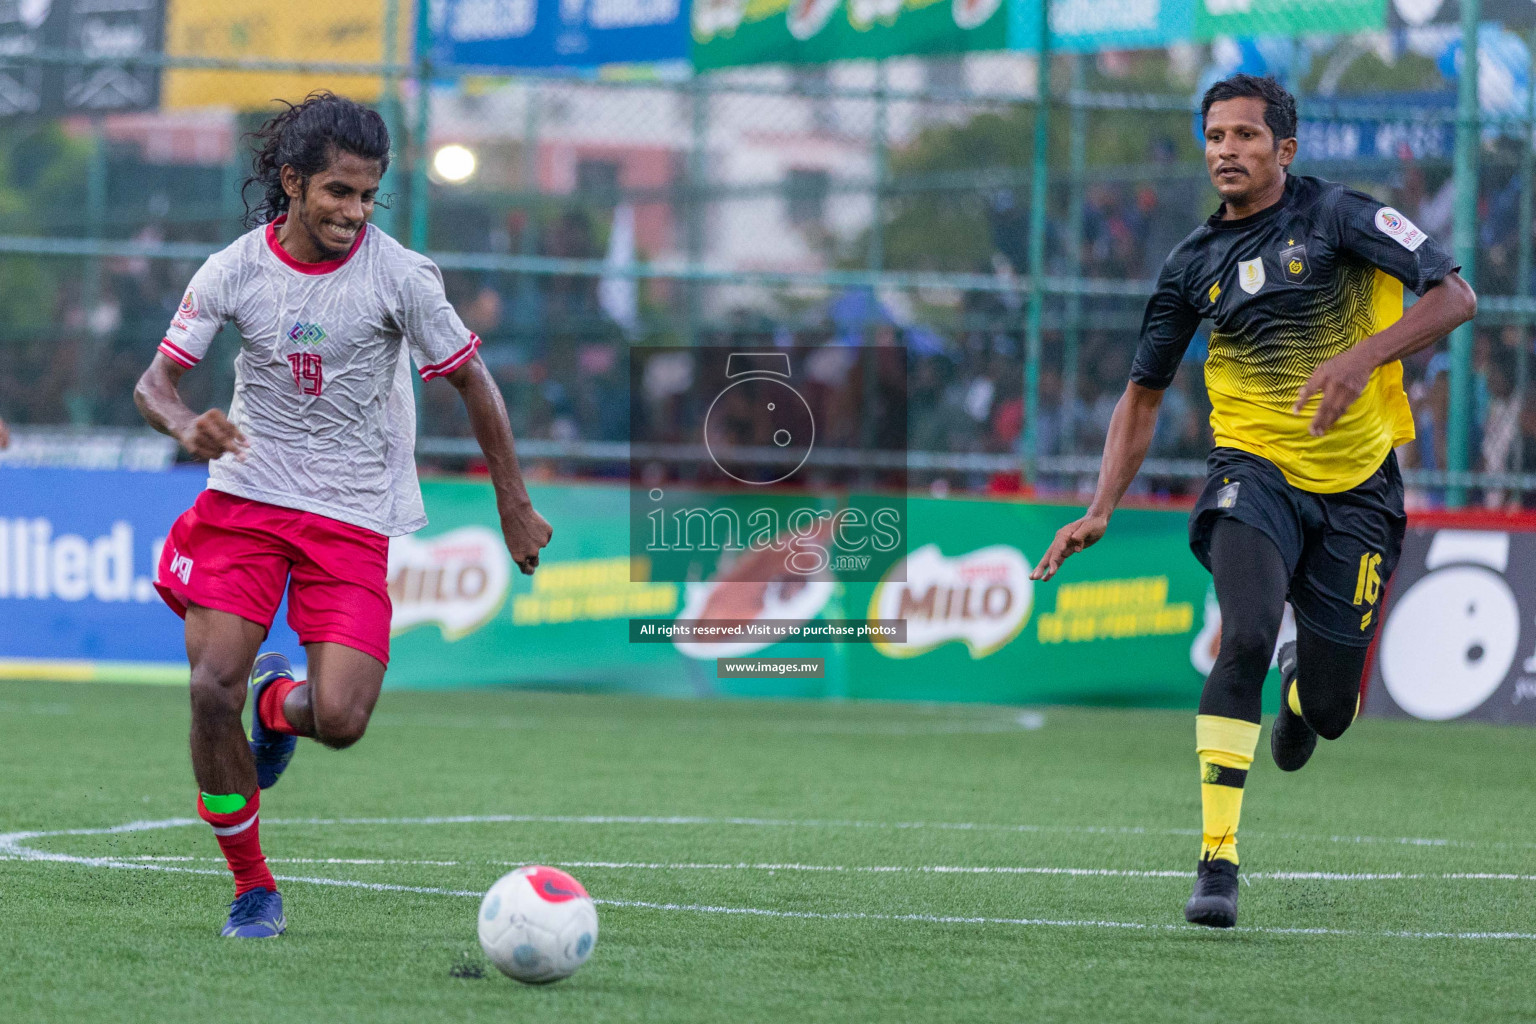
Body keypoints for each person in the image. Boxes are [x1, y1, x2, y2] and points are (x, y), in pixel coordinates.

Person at [1028, 74, 1476, 929]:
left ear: (1285, 149)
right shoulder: (1190, 264)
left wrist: (1359, 361)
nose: (1226, 150)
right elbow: (1143, 396)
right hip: (1253, 473)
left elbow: (1455, 295)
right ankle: (1218, 862)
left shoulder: (1343, 216)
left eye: (1244, 135)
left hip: (1360, 489)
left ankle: (1303, 690)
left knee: (1334, 715)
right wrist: (1100, 506)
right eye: (1214, 136)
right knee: (1242, 634)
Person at [133, 93, 552, 939]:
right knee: (209, 685)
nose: (354, 212)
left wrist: (514, 500)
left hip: (353, 514)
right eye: (338, 193)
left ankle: (279, 704)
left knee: (342, 722)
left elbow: (475, 382)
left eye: (368, 195)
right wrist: (187, 426)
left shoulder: (401, 275)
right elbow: (155, 384)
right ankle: (252, 886)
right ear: (292, 182)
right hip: (247, 499)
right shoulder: (234, 270)